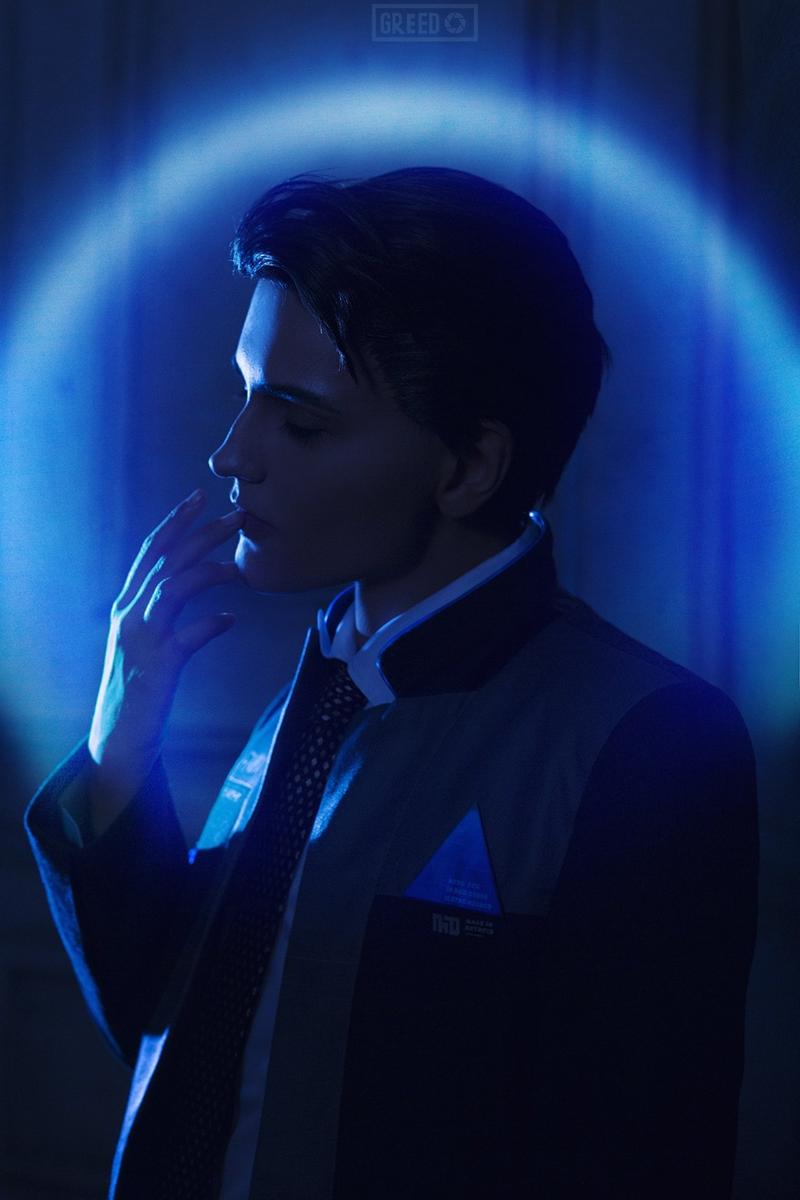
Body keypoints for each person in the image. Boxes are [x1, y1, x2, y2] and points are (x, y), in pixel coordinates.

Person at [24, 167, 759, 1200]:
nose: (231, 455)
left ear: (466, 468)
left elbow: (638, 1160)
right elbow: (178, 1035)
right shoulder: (317, 690)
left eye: (300, 422)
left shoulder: (649, 744)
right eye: (244, 395)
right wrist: (120, 745)